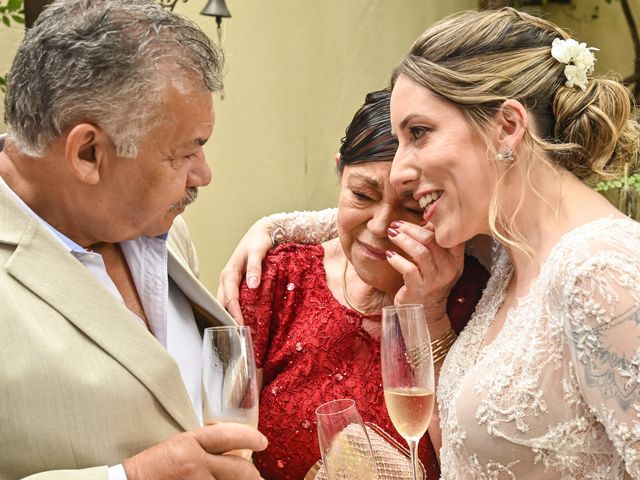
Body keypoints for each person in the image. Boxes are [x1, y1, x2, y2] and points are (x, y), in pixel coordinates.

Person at [0, 1, 267, 479]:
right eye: (185, 153)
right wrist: (126, 478)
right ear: (88, 153)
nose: (204, 175)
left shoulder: (161, 229)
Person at [386, 7, 640, 479]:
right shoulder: (508, 256)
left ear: (507, 126)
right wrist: (277, 230)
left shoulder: (601, 272)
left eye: (418, 133)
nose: (399, 171)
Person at [235, 89, 489, 480]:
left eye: (411, 207)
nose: (378, 226)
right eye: (361, 195)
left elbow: (473, 461)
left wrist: (430, 313)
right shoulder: (279, 278)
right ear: (339, 172)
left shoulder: (474, 296)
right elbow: (224, 439)